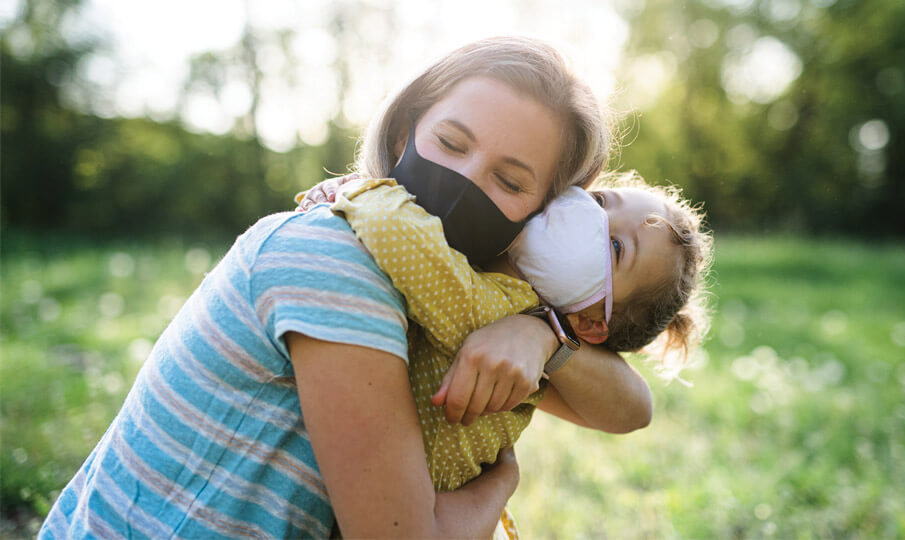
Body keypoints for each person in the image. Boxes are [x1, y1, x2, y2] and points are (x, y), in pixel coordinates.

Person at [39, 36, 656, 538]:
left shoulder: (446, 295)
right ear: (402, 134)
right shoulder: (338, 257)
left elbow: (631, 408)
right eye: (450, 142)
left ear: (539, 216)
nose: (462, 179)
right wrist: (498, 486)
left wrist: (543, 335)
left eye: (510, 180)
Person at [296, 164, 711, 534]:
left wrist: (364, 190)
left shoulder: (505, 308)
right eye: (601, 201)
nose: (591, 219)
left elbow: (636, 409)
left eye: (616, 246)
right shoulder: (506, 285)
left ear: (590, 322)